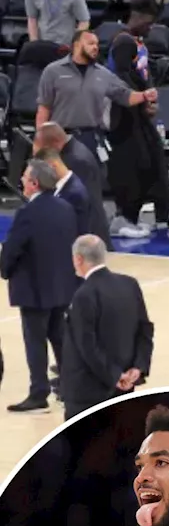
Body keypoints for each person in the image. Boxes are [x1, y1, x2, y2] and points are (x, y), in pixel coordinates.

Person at [0, 159, 80, 414]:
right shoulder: (65, 207)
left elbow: (13, 248)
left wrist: (5, 270)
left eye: (24, 176)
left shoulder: (28, 213)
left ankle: (38, 393)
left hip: (34, 287)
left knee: (35, 341)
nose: (21, 180)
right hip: (61, 285)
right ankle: (71, 389)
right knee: (59, 338)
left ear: (34, 183)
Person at [60, 234, 154, 421]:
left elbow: (87, 345)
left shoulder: (84, 294)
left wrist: (114, 375)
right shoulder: (129, 284)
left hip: (88, 394)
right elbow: (145, 329)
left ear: (78, 259)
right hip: (125, 386)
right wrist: (138, 366)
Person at [36, 30, 157, 160]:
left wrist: (144, 95)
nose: (95, 47)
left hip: (91, 138)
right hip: (60, 137)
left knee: (93, 178)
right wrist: (40, 142)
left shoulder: (104, 74)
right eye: (91, 43)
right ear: (76, 45)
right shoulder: (53, 71)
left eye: (97, 44)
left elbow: (125, 96)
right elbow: (44, 109)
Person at [105, 33, 169, 237]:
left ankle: (159, 219)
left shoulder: (136, 75)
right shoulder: (107, 78)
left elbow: (149, 109)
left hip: (140, 129)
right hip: (120, 134)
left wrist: (149, 105)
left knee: (155, 167)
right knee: (128, 177)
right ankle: (125, 219)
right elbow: (122, 101)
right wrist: (143, 98)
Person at [35, 122, 112, 247]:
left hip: (89, 237)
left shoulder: (75, 161)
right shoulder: (74, 150)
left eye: (45, 151)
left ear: (55, 143)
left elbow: (81, 203)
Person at [34, 144, 92, 237]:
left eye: (42, 172)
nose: (41, 176)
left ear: (53, 166)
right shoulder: (57, 188)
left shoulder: (75, 193)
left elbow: (76, 231)